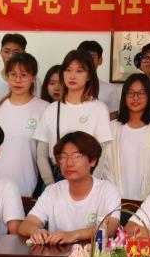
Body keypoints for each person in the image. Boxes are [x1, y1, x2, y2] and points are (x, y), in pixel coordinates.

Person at [21, 131, 121, 245]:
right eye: (63, 156)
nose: (69, 163)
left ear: (93, 160)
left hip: (93, 255)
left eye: (77, 156)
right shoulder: (53, 191)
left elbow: (110, 228)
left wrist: (73, 235)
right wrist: (35, 231)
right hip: (57, 254)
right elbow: (25, 225)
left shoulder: (108, 191)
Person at [33, 50, 113, 186]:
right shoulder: (52, 109)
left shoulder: (99, 108)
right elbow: (41, 154)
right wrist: (51, 185)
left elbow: (103, 153)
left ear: (89, 76)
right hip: (58, 178)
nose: (72, 76)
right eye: (68, 70)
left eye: (79, 71)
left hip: (88, 179)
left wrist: (92, 186)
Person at [0, 52, 48, 197]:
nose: (18, 80)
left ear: (33, 78)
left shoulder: (45, 109)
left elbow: (44, 154)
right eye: (13, 74)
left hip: (27, 187)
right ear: (7, 76)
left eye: (24, 75)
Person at [98, 73, 150, 201]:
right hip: (115, 199)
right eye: (131, 93)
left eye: (141, 93)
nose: (135, 98)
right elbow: (103, 166)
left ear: (149, 96)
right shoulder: (111, 128)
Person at [0, 33, 34, 102]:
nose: (10, 56)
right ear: (0, 52)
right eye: (6, 51)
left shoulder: (33, 81)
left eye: (16, 52)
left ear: (24, 53)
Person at [78, 40, 120, 117]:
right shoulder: (69, 86)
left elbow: (114, 116)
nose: (88, 60)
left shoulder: (110, 89)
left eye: (92, 57)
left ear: (100, 60)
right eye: (84, 57)